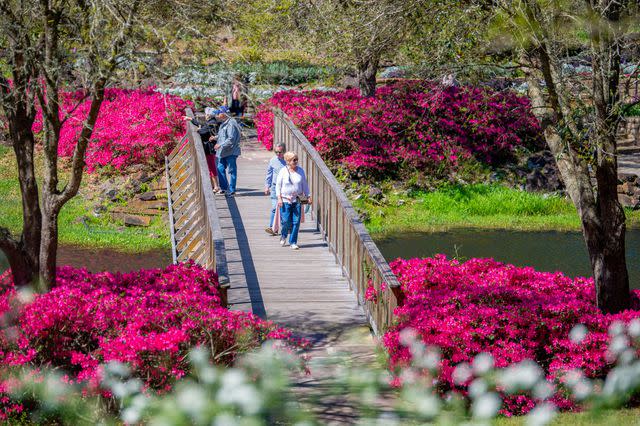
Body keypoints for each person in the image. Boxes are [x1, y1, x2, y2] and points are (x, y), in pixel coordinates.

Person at [275, 151, 312, 250]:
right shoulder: (283, 171)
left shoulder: (300, 171)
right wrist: (279, 198)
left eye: (296, 159)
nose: (296, 161)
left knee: (296, 222)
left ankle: (293, 242)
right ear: (288, 161)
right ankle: (283, 235)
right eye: (293, 160)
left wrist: (308, 196)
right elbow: (278, 186)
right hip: (285, 199)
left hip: (297, 200)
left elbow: (304, 185)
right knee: (286, 221)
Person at [183, 107, 221, 193]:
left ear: (209, 115)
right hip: (209, 148)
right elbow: (202, 124)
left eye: (206, 114)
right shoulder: (211, 122)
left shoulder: (211, 123)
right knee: (210, 167)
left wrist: (199, 130)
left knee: (211, 167)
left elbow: (202, 131)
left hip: (209, 149)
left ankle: (216, 186)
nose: (205, 115)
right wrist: (191, 119)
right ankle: (213, 185)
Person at [212, 106, 242, 196]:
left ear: (223, 114)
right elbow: (222, 135)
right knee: (220, 168)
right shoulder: (223, 123)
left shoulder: (231, 124)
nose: (217, 115)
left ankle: (232, 190)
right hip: (222, 151)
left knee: (232, 171)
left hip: (231, 151)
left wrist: (220, 144)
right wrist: (215, 137)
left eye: (219, 113)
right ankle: (224, 188)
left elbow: (231, 139)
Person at [264, 142, 286, 236]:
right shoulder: (273, 160)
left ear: (284, 151)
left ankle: (284, 226)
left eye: (280, 152)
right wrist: (266, 186)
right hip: (274, 187)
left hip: (285, 188)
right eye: (276, 152)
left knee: (283, 209)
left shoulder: (288, 160)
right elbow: (269, 173)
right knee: (274, 208)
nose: (278, 154)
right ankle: (273, 228)